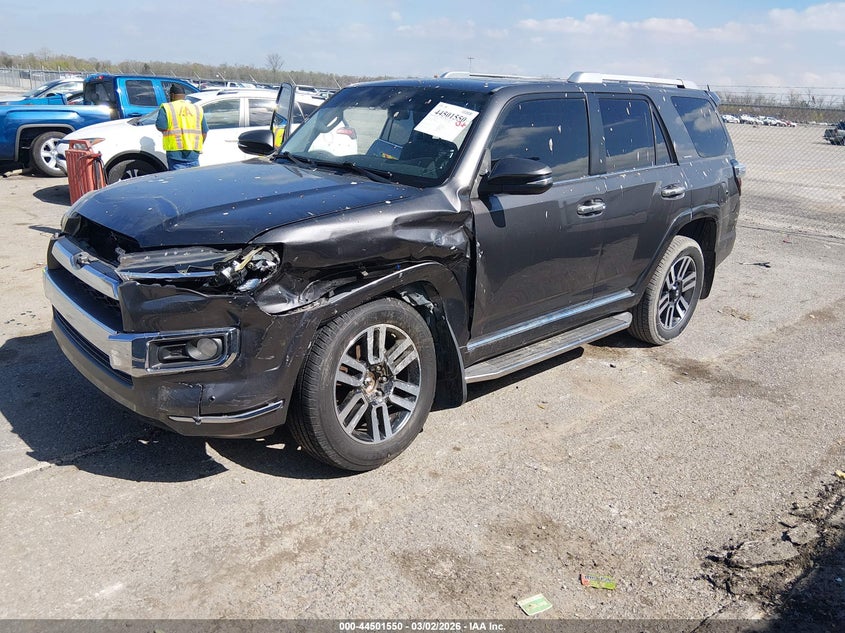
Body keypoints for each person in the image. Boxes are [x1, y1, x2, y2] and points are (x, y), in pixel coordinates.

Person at [156, 84, 208, 170]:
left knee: (178, 181)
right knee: (193, 180)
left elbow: (161, 127)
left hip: (175, 154)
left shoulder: (167, 107)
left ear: (172, 95)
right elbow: (204, 132)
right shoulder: (196, 108)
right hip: (193, 154)